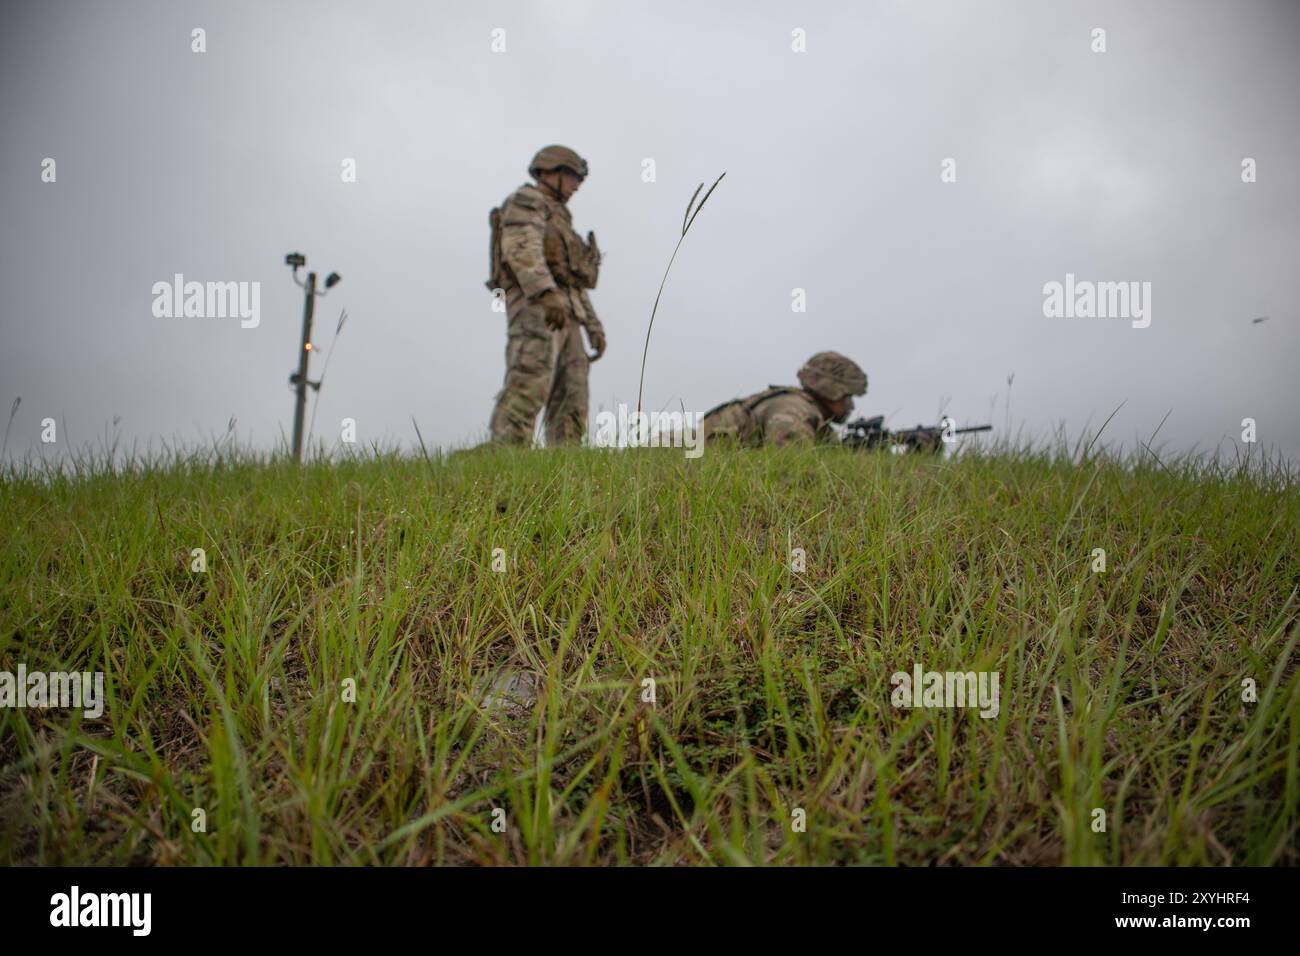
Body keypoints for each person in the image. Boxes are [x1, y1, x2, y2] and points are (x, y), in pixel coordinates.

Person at [485, 145, 606, 445]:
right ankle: (506, 452)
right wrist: (544, 293)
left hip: (567, 311)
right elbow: (521, 248)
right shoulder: (527, 201)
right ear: (551, 172)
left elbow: (572, 282)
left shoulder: (561, 218)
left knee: (573, 394)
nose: (577, 185)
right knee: (530, 379)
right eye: (574, 177)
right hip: (535, 306)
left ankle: (565, 467)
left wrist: (593, 326)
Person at [702, 352, 868, 446]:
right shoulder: (795, 408)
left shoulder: (815, 418)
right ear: (832, 390)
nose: (850, 405)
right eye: (847, 396)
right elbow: (789, 457)